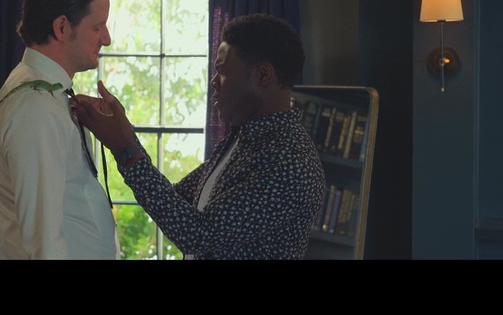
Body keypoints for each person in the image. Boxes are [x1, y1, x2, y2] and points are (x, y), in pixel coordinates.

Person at [72, 13, 326, 260]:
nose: (214, 82)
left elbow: (198, 234)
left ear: (263, 75)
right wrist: (124, 133)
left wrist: (124, 147)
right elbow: (178, 200)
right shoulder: (243, 140)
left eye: (222, 71)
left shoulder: (290, 162)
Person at [0, 0, 120, 260]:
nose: (107, 39)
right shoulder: (34, 108)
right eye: (97, 27)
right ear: (62, 27)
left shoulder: (50, 97)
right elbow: (44, 242)